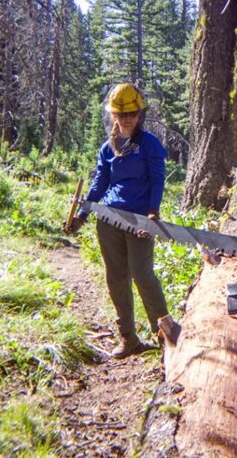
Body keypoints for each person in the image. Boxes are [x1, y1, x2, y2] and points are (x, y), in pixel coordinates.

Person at [67, 83, 177, 358]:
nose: (127, 118)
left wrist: (152, 212)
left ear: (139, 114)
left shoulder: (149, 144)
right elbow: (99, 183)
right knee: (116, 278)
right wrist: (83, 214)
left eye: (132, 113)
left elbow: (157, 179)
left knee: (143, 275)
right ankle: (128, 338)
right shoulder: (109, 147)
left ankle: (166, 335)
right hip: (109, 220)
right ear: (114, 115)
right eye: (122, 114)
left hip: (140, 218)